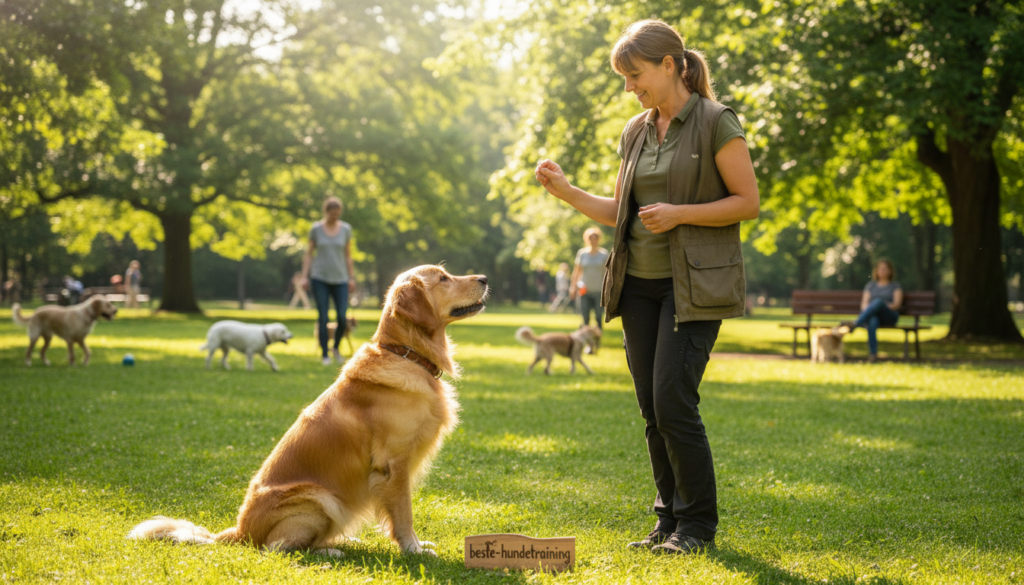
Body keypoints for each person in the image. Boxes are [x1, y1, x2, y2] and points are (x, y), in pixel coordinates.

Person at [535, 20, 759, 555]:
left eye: (634, 75)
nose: (629, 87)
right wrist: (566, 192)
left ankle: (698, 526)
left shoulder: (714, 122)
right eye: (625, 78)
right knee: (651, 407)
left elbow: (747, 201)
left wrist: (681, 213)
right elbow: (622, 213)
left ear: (669, 65)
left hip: (693, 288)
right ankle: (668, 521)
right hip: (635, 284)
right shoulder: (636, 130)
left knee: (672, 400)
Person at [300, 196, 356, 366]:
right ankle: (325, 354)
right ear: (326, 212)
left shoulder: (346, 229)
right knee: (323, 316)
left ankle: (336, 348)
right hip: (320, 278)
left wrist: (351, 277)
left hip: (341, 278)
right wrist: (304, 275)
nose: (334, 216)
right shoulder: (316, 229)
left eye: (337, 214)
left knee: (341, 316)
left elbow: (348, 255)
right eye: (331, 214)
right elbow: (309, 254)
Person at [846, 260, 902, 362]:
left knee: (878, 302)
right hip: (873, 315)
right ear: (876, 271)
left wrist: (880, 305)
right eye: (880, 269)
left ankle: (857, 323)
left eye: (885, 269)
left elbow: (896, 305)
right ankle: (873, 354)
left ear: (890, 271)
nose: (882, 271)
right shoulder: (870, 286)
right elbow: (864, 305)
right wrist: (875, 308)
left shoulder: (895, 286)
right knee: (873, 320)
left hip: (889, 316)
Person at [569, 228, 609, 329]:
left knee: (599, 316)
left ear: (598, 239)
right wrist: (573, 287)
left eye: (595, 237)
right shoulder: (582, 253)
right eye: (590, 238)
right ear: (587, 239)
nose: (593, 240)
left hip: (599, 290)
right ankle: (585, 340)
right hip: (584, 290)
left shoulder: (604, 254)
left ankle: (597, 340)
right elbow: (577, 271)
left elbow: (608, 273)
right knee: (585, 317)